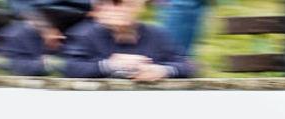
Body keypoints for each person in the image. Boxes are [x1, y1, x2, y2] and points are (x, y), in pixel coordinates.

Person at [60, 0, 194, 81]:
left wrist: (163, 70)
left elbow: (187, 65)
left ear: (137, 8)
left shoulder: (157, 34)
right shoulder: (83, 34)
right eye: (110, 4)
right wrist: (112, 65)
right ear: (98, 10)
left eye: (125, 4)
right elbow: (69, 68)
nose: (117, 10)